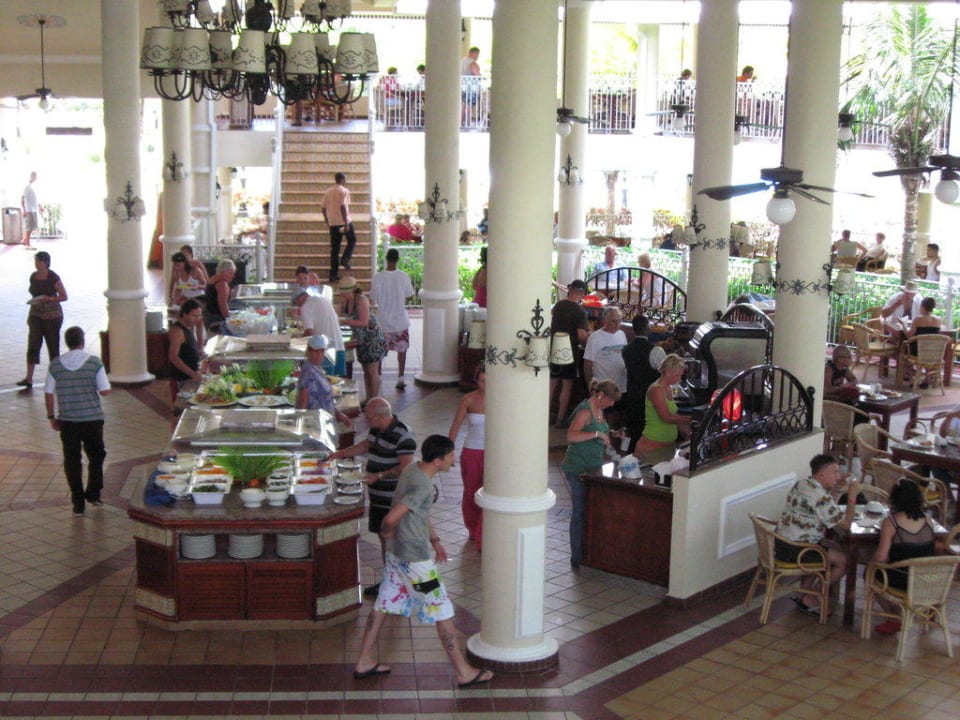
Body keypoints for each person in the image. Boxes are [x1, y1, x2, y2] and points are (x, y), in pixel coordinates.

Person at [352, 434, 494, 688]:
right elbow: (395, 515)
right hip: (415, 561)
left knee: (383, 605)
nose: (454, 459)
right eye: (451, 456)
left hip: (397, 556)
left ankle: (364, 661)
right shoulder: (424, 486)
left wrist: (435, 540)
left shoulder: (413, 469)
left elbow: (418, 511)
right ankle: (464, 672)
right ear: (438, 461)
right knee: (442, 610)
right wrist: (386, 529)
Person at [329, 397, 416, 598]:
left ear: (380, 416)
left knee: (392, 539)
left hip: (392, 497)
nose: (366, 421)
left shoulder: (404, 435)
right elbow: (367, 445)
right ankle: (390, 579)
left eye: (369, 417)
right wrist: (341, 453)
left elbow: (405, 467)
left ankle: (396, 583)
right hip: (377, 496)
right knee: (383, 536)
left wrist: (379, 476)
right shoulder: (378, 429)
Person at [776, 454, 859, 616]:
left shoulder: (802, 484)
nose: (839, 476)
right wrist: (852, 497)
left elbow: (826, 509)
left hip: (782, 544)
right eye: (835, 472)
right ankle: (812, 596)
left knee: (829, 546)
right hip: (799, 551)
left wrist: (837, 490)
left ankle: (803, 593)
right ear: (822, 474)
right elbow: (847, 524)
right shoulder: (820, 496)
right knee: (846, 561)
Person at [44, 326, 111, 516]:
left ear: (67, 342)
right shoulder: (94, 362)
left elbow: (48, 393)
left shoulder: (55, 364)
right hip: (92, 420)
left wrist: (51, 416)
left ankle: (78, 502)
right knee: (97, 456)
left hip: (68, 420)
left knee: (72, 460)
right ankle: (94, 492)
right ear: (82, 341)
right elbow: (104, 391)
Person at [561, 379, 621, 568]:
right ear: (601, 396)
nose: (611, 405)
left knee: (590, 509)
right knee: (579, 510)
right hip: (578, 468)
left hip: (593, 467)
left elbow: (597, 429)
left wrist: (611, 433)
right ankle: (576, 556)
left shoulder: (599, 411)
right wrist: (596, 435)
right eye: (610, 401)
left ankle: (588, 552)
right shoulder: (585, 411)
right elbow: (571, 435)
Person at [869, 478, 939, 635]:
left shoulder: (892, 522)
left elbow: (881, 557)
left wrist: (870, 563)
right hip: (925, 581)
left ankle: (894, 617)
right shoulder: (928, 519)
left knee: (871, 575)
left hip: (902, 581)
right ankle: (900, 616)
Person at [447, 366, 486, 549]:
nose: (485, 385)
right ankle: (472, 528)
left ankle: (482, 532)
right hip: (472, 452)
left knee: (489, 493)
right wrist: (448, 451)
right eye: (481, 381)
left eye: (488, 381)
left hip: (495, 455)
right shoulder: (468, 399)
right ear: (476, 380)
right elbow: (456, 425)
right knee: (471, 492)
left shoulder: (503, 399)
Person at [19, 250, 67, 389]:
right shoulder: (33, 276)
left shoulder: (53, 277)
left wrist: (50, 298)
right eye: (35, 261)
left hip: (52, 316)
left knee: (53, 346)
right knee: (33, 345)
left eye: (38, 261)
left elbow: (64, 296)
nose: (36, 264)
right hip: (36, 314)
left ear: (45, 262)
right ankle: (29, 378)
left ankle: (56, 377)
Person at [631, 354, 692, 461]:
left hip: (667, 447)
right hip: (652, 447)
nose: (679, 378)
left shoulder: (668, 388)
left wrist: (688, 432)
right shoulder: (656, 390)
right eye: (677, 375)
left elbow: (674, 416)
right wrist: (691, 418)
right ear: (668, 372)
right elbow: (667, 417)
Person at [337, 276, 388, 403]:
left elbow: (364, 322)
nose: (342, 294)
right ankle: (369, 398)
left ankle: (375, 400)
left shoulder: (362, 300)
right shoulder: (347, 300)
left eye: (344, 291)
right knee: (366, 371)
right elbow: (339, 312)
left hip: (372, 339)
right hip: (361, 340)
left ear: (352, 290)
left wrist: (345, 321)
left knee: (372, 371)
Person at [621, 315, 667, 452]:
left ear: (633, 330)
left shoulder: (626, 350)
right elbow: (666, 372)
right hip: (650, 398)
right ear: (647, 329)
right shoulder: (655, 351)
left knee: (634, 429)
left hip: (632, 394)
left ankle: (631, 455)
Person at [370, 248, 415, 389]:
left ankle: (379, 376)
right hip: (400, 320)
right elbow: (410, 294)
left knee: (380, 353)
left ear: (386, 259)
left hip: (382, 321)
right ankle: (401, 378)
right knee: (402, 351)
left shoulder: (378, 277)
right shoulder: (404, 276)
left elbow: (373, 298)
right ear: (397, 260)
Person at [549, 279, 590, 428]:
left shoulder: (558, 306)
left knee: (552, 384)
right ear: (582, 293)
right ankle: (560, 419)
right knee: (566, 387)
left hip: (554, 348)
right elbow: (581, 335)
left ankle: (545, 414)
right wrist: (588, 345)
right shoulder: (580, 312)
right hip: (569, 352)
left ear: (569, 290)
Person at [295, 335, 352, 425]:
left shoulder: (316, 368)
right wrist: (299, 425)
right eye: (316, 352)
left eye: (322, 352)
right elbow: (303, 401)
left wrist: (338, 414)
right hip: (316, 424)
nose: (319, 355)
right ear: (308, 352)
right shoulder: (308, 372)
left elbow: (325, 399)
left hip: (326, 422)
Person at [167, 299, 205, 405]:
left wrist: (200, 348)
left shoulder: (189, 326)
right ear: (184, 314)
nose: (198, 319)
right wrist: (192, 373)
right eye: (194, 316)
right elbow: (173, 357)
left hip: (190, 375)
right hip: (181, 378)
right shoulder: (177, 331)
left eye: (199, 315)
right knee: (180, 409)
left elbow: (200, 323)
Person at [583, 306, 627, 392]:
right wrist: (590, 386)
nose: (617, 324)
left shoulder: (622, 334)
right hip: (602, 387)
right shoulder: (595, 338)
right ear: (605, 321)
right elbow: (588, 364)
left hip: (620, 387)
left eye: (619, 320)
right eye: (613, 321)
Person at [322, 172, 356, 282]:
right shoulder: (344, 191)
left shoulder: (328, 192)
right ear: (342, 179)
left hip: (333, 223)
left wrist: (327, 220)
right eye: (345, 179)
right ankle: (345, 259)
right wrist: (346, 223)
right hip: (343, 221)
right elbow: (343, 207)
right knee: (352, 239)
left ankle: (333, 275)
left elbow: (323, 208)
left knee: (335, 250)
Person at [203, 259, 236, 334]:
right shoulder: (222, 284)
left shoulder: (212, 279)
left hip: (208, 315)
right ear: (223, 272)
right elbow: (223, 305)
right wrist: (230, 320)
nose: (232, 276)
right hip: (216, 319)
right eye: (230, 273)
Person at [21, 170, 39, 249]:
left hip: (33, 209)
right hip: (28, 210)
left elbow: (34, 199)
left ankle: (25, 240)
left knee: (32, 226)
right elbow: (22, 198)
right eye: (35, 176)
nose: (36, 178)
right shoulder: (27, 186)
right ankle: (27, 244)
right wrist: (24, 210)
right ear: (32, 176)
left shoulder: (32, 187)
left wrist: (39, 206)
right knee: (29, 227)